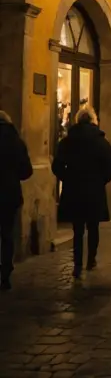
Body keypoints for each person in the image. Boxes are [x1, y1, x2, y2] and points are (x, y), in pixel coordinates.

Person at [51, 107, 111, 278]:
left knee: (77, 229)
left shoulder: (67, 141)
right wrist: (101, 180)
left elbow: (57, 166)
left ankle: (77, 263)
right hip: (94, 190)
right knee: (93, 227)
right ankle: (91, 259)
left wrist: (68, 178)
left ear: (77, 120)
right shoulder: (101, 142)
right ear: (94, 120)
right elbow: (110, 166)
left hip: (74, 189)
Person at [0, 111, 33, 291]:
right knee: (6, 234)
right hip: (8, 194)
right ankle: (5, 274)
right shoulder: (16, 142)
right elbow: (26, 171)